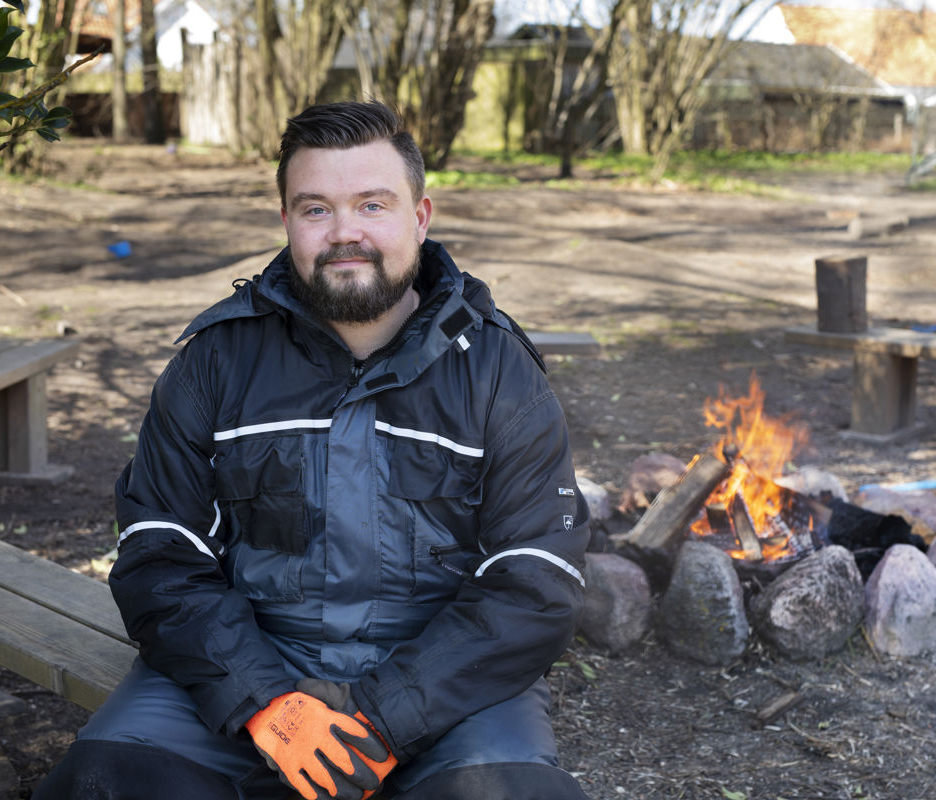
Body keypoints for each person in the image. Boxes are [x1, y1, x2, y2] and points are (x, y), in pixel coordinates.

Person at [34, 100, 592, 800]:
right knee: (102, 783)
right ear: (287, 222)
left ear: (420, 217)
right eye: (316, 209)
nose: (345, 234)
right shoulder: (216, 361)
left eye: (372, 205)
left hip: (448, 685)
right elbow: (159, 551)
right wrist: (268, 702)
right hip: (246, 669)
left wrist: (386, 717)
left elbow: (536, 578)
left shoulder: (498, 372)